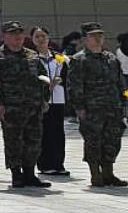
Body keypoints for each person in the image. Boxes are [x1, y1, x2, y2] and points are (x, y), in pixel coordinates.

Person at [0, 20, 51, 189]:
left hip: (33, 106)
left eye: (20, 34)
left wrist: (45, 99)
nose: (18, 37)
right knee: (14, 142)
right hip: (11, 107)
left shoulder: (32, 55)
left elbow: (43, 78)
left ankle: (30, 173)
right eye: (13, 34)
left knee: (33, 141)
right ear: (4, 36)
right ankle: (16, 174)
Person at [66, 22, 126, 187]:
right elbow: (74, 86)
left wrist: (125, 101)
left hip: (113, 107)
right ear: (85, 39)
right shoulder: (79, 60)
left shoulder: (111, 58)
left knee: (112, 140)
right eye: (93, 36)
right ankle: (95, 174)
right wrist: (79, 108)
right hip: (92, 109)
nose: (98, 39)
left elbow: (121, 83)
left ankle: (108, 173)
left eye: (100, 35)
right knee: (93, 141)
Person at [32, 26, 69, 176]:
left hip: (58, 99)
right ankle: (45, 164)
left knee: (58, 132)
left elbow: (68, 75)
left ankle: (58, 163)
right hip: (41, 101)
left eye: (43, 36)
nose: (41, 39)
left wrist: (60, 79)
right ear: (33, 40)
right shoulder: (32, 58)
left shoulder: (59, 57)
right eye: (37, 37)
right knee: (43, 132)